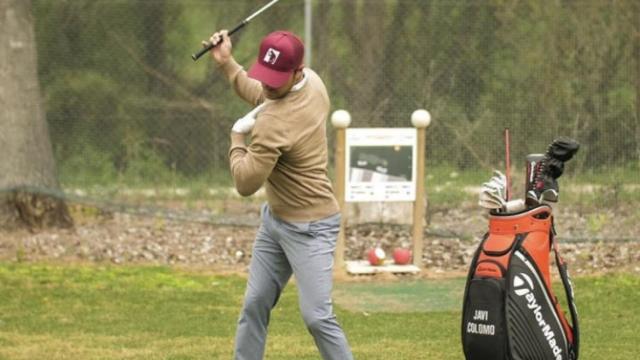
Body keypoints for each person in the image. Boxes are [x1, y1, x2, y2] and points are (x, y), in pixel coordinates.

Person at [205, 29, 353, 360]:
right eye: (266, 76)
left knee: (317, 317)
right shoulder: (313, 83)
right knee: (255, 303)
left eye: (275, 79)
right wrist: (227, 62)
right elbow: (260, 92)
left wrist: (236, 138)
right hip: (276, 223)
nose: (267, 86)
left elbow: (244, 183)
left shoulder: (274, 122)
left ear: (297, 71)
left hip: (312, 227)